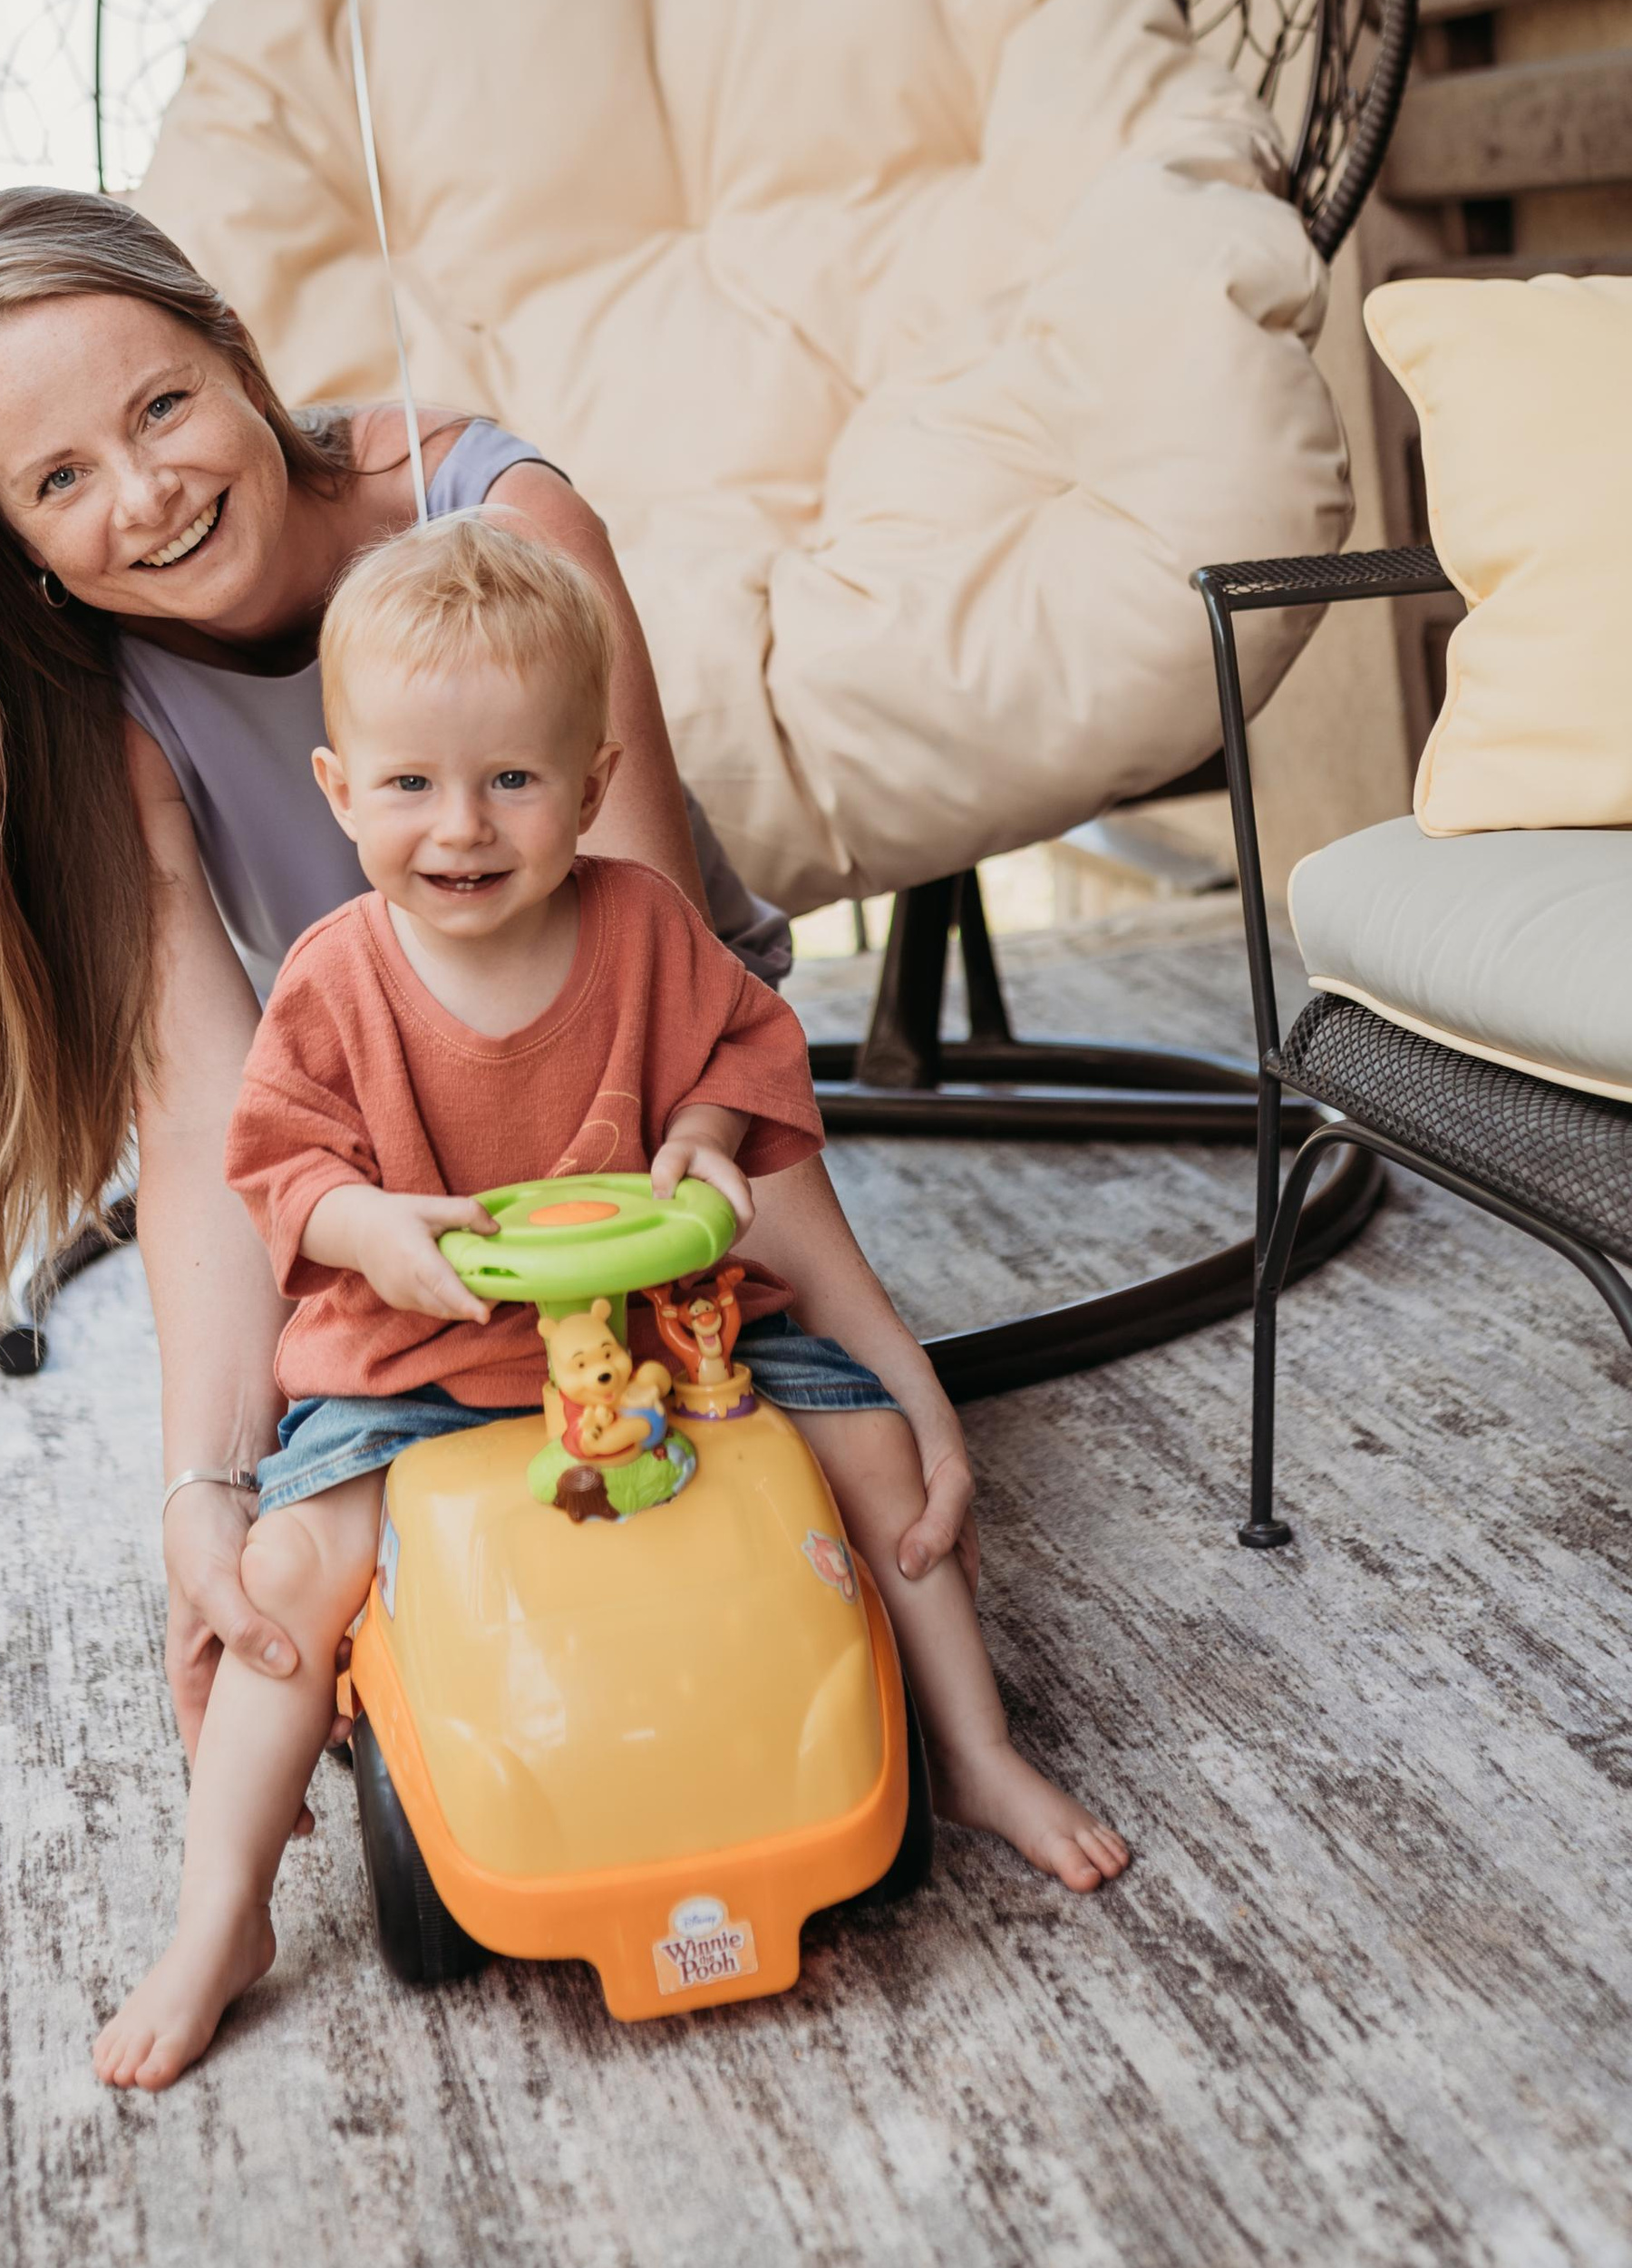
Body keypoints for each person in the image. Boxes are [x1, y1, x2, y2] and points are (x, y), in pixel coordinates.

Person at [92, 517, 1128, 2089]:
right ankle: (219, 1909)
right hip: (418, 1358)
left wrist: (707, 1146)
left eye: (513, 778)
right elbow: (277, 1166)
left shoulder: (647, 923)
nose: (462, 825)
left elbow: (740, 1061)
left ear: (590, 781)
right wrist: (371, 1229)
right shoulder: (332, 976)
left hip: (667, 1331)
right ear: (336, 789)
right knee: (290, 1579)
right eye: (411, 784)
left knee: (881, 1470)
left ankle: (976, 1752)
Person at [0, 184, 821, 1760]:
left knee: (756, 1542)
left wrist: (847, 1352)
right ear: (16, 542)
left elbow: (675, 1007)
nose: (147, 491)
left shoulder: (503, 515)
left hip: (661, 1123)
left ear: (240, 355)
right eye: (60, 478)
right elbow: (200, 1129)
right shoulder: (103, 708)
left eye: (163, 403)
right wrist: (211, 1490)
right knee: (332, 1589)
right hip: (402, 1172)